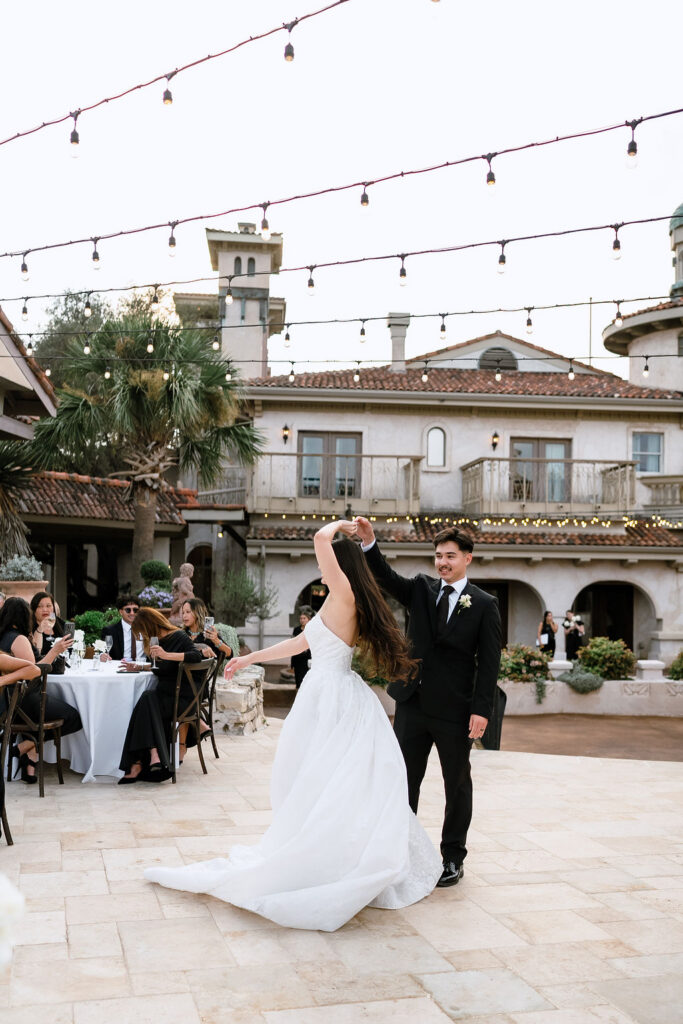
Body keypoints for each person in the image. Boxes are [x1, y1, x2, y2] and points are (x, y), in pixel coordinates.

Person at [144, 520, 442, 931]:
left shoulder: (344, 593)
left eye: (328, 565)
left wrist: (346, 527)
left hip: (331, 697)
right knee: (318, 779)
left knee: (326, 779)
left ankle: (330, 856)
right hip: (328, 693)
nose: (321, 570)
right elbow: (302, 643)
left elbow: (321, 539)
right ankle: (327, 847)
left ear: (341, 566)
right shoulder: (338, 602)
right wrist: (249, 659)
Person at [354, 517, 502, 888]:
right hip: (413, 704)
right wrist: (370, 543)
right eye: (438, 556)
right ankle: (400, 851)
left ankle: (452, 857)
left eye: (450, 556)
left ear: (468, 558)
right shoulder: (421, 589)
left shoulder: (485, 604)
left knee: (457, 784)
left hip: (455, 711)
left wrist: (481, 710)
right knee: (404, 781)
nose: (442, 563)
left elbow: (489, 662)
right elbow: (386, 578)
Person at [118, 607, 204, 784]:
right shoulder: (155, 642)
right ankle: (153, 755)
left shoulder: (177, 636)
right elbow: (160, 666)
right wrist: (140, 667)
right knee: (147, 700)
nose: (142, 637)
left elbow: (196, 656)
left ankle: (143, 759)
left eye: (142, 632)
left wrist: (166, 654)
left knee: (146, 700)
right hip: (166, 696)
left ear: (149, 626)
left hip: (182, 699)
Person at [0, 597, 81, 783]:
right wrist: (55, 651)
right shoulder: (17, 639)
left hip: (10, 701)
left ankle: (30, 756)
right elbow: (35, 672)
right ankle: (22, 748)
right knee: (73, 717)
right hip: (23, 701)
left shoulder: (4, 637)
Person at [30, 592, 67, 673]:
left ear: (53, 608)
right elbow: (36, 653)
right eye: (40, 606)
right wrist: (40, 629)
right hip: (41, 669)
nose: (45, 610)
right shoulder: (29, 626)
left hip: (61, 668)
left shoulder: (60, 624)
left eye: (48, 606)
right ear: (34, 609)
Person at [101, 595, 141, 660]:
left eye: (135, 610)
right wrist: (102, 655)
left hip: (142, 667)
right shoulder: (110, 631)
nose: (132, 613)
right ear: (121, 612)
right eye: (128, 610)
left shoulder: (146, 629)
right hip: (120, 667)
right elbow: (103, 651)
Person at [290, 605, 313, 688]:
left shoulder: (312, 630)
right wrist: (292, 663)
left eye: (304, 618)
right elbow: (293, 644)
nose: (302, 620)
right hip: (297, 658)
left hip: (307, 659)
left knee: (306, 681)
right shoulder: (296, 630)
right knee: (298, 681)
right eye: (301, 618)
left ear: (309, 619)